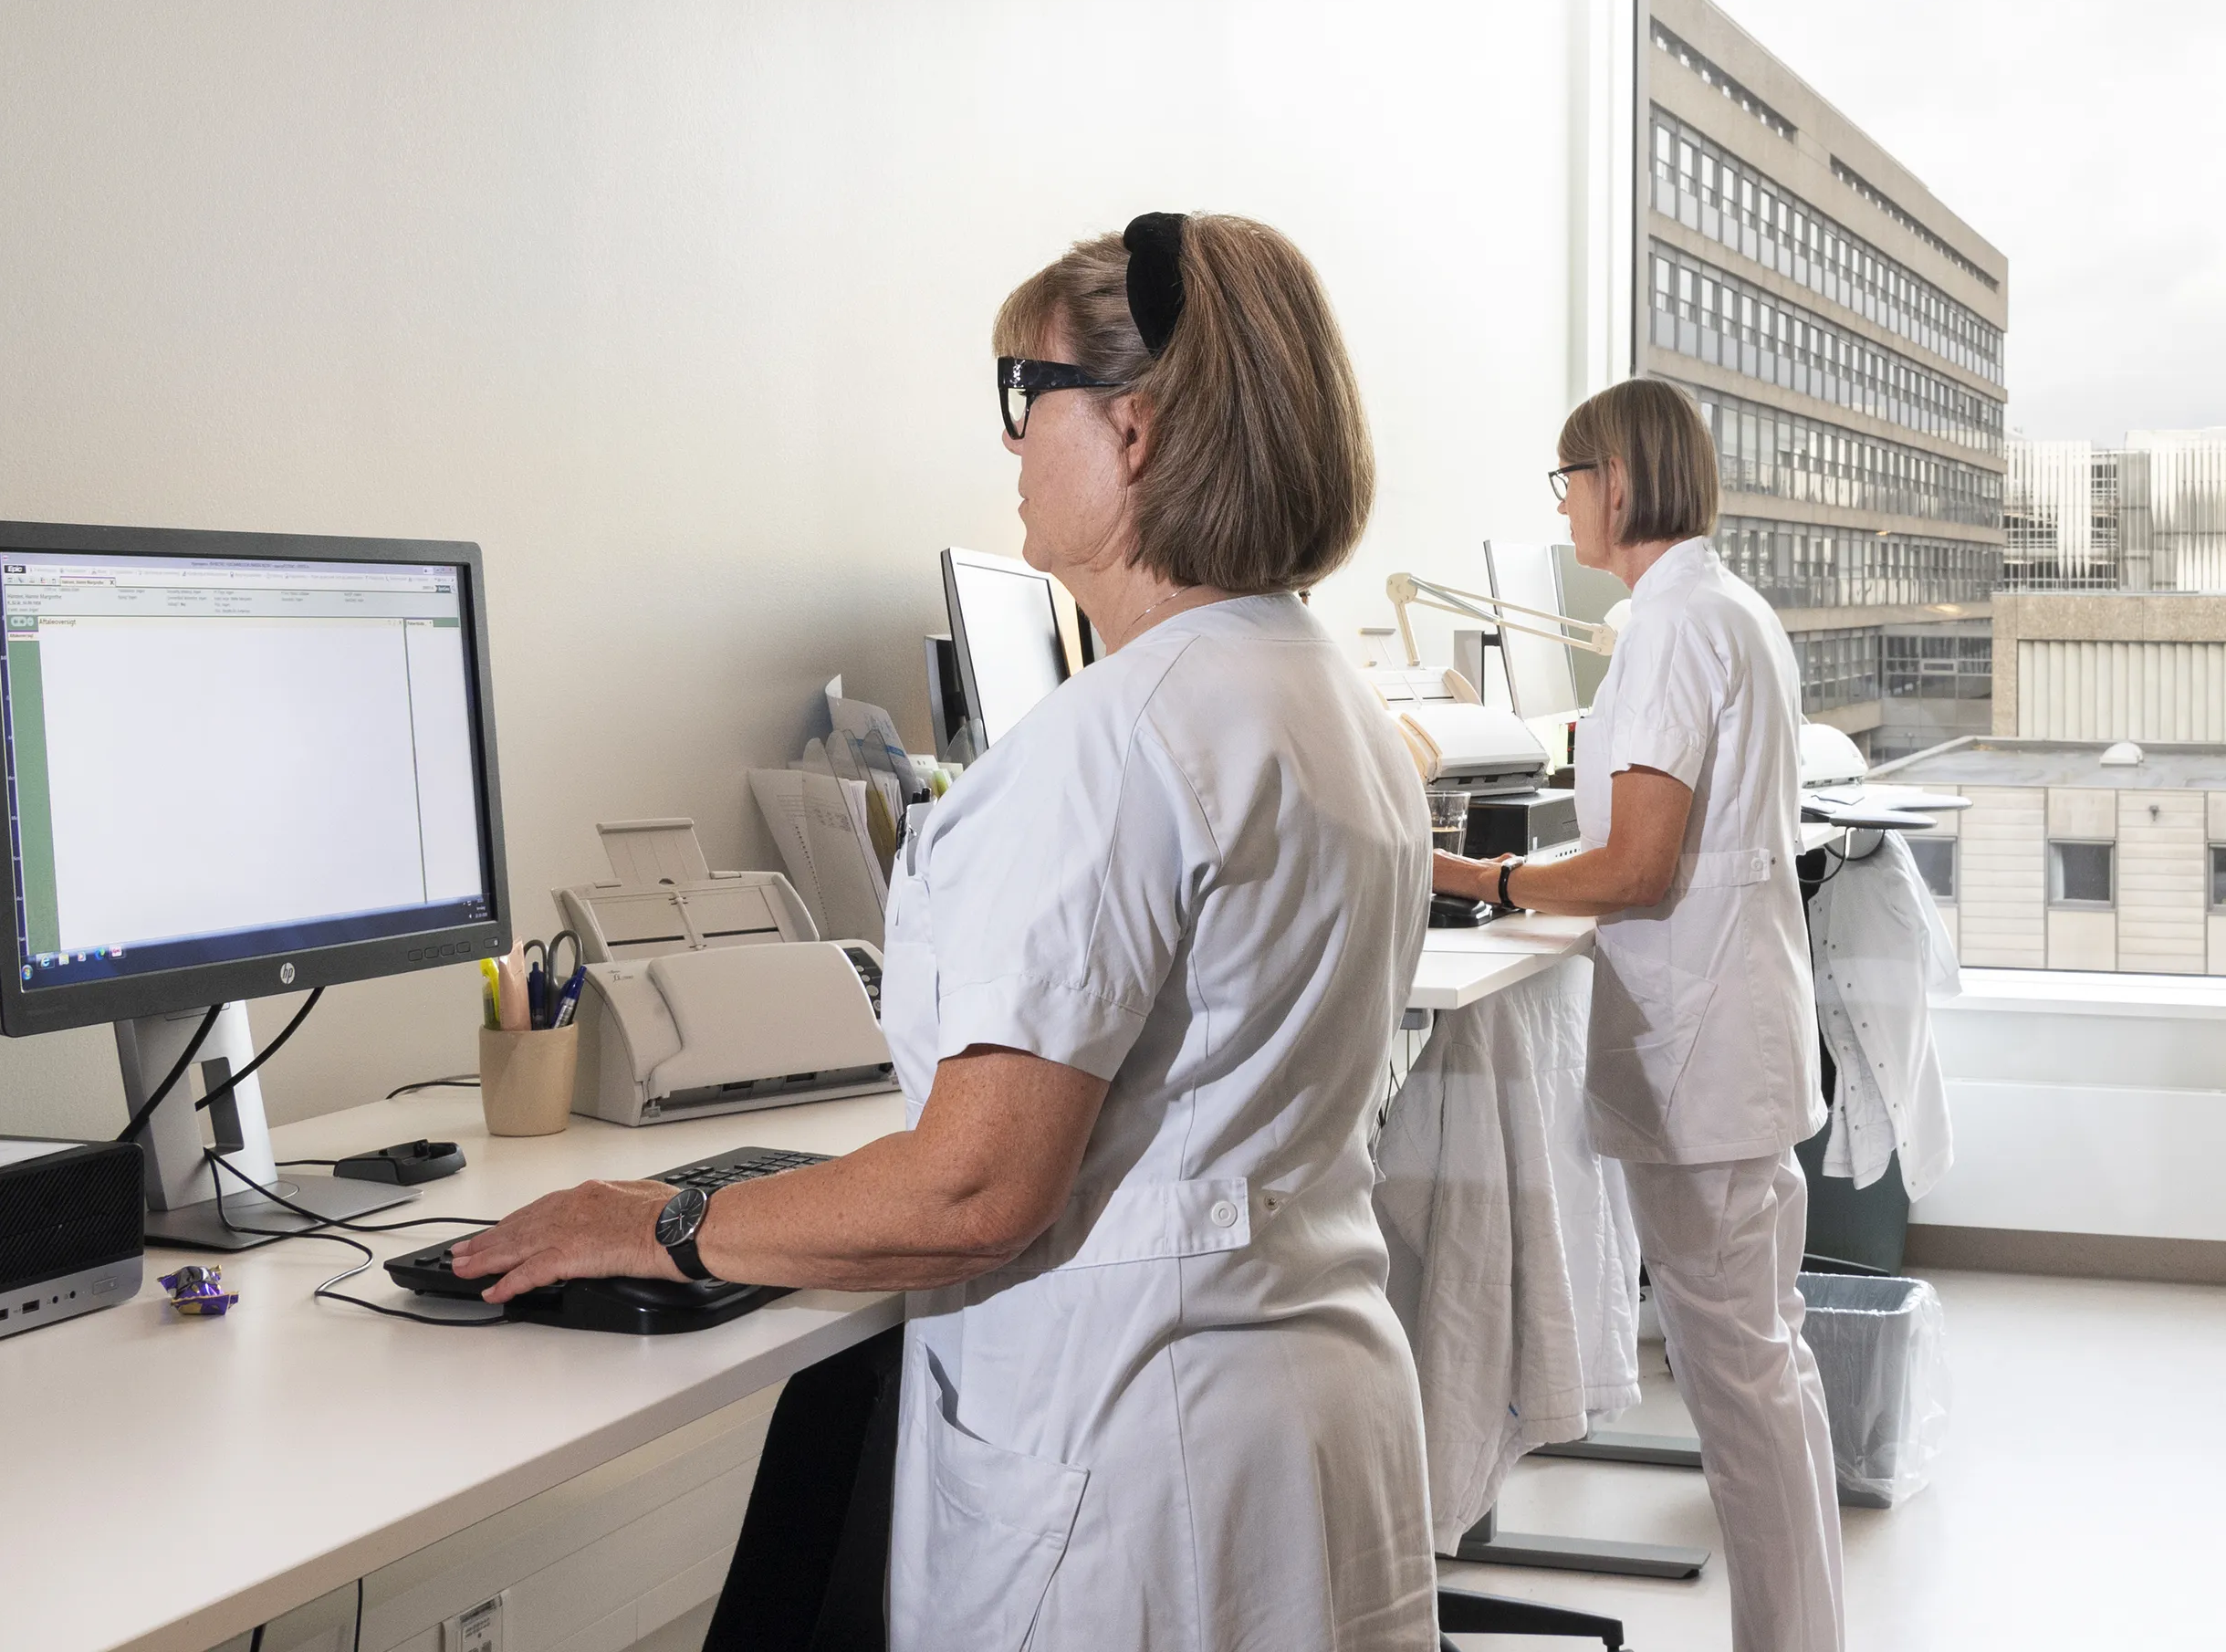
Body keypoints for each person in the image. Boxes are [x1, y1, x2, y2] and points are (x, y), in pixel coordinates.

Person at [452, 212, 1440, 1652]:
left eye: (1024, 398)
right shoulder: (1323, 702)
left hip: (1137, 1467)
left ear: (1140, 431)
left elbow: (977, 1191)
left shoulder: (1120, 744)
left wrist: (664, 1223)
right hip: (1306, 1422)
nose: (1011, 445)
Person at [1435, 378, 1844, 1652]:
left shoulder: (1674, 625)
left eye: (1566, 478)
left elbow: (1636, 869)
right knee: (1765, 1368)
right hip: (1731, 1029)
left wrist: (1480, 881)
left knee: (1742, 1380)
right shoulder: (1721, 609)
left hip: (1708, 1047)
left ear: (1618, 480)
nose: (1560, 503)